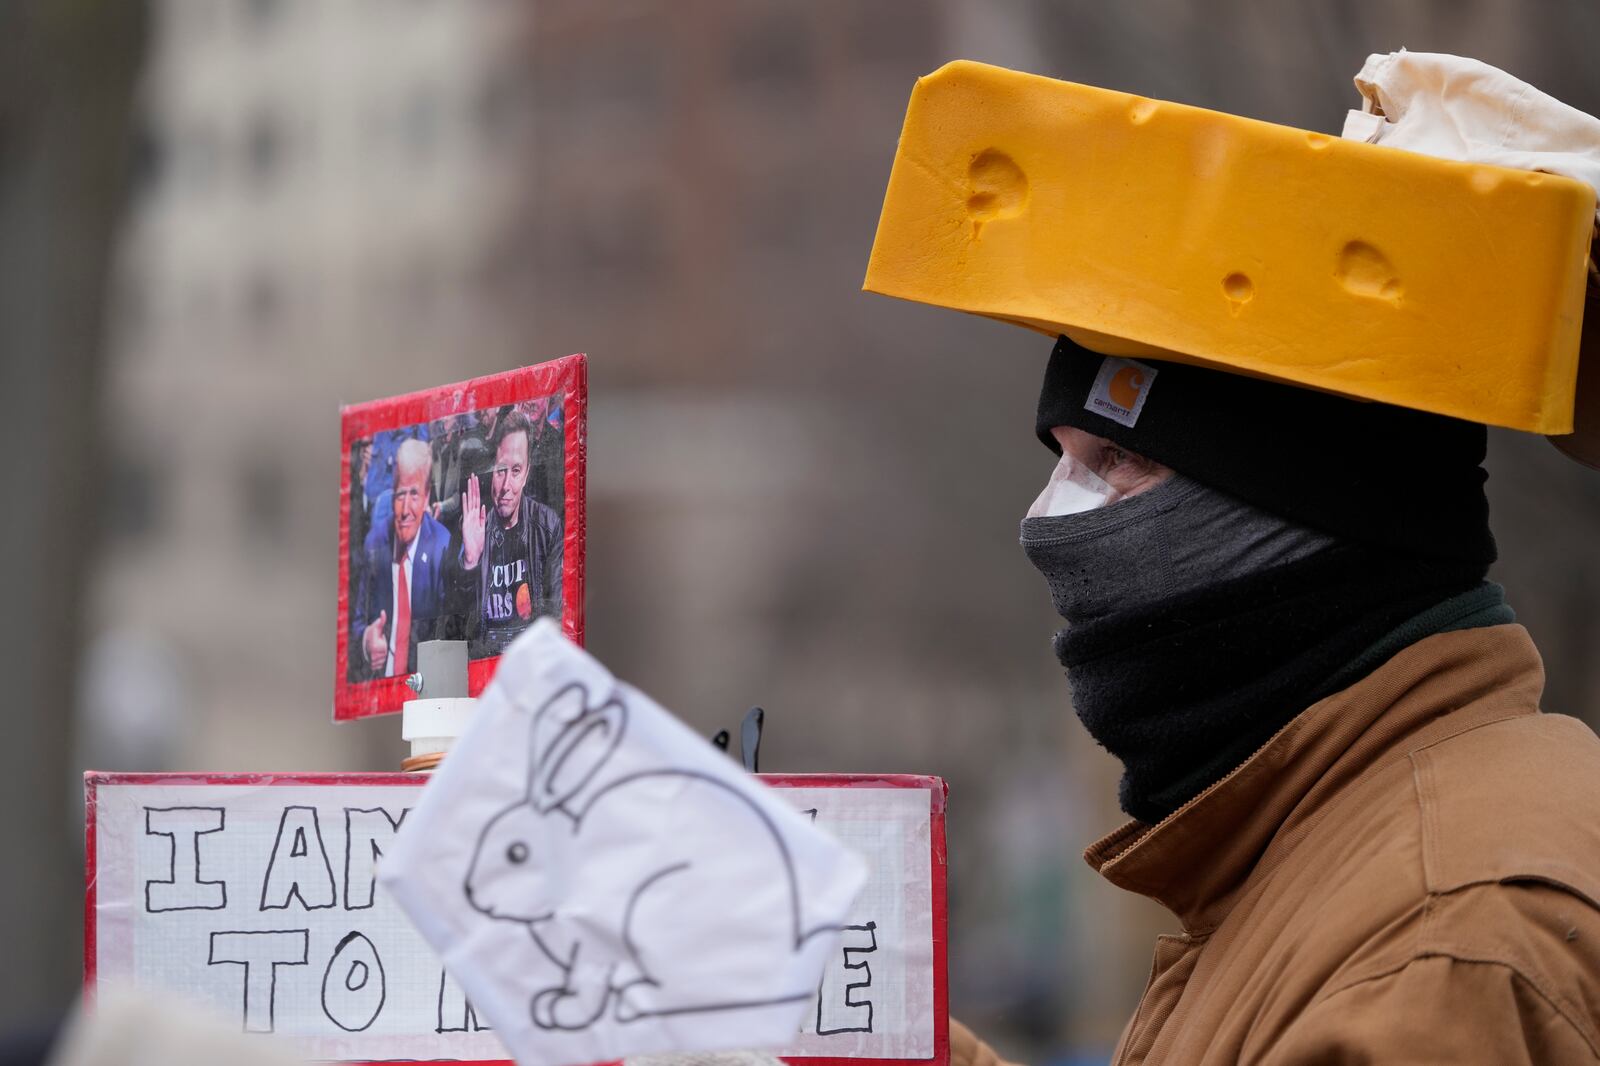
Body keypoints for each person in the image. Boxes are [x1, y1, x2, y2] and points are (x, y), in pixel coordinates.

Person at [949, 335, 1600, 1064]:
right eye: (1061, 461)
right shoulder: (1330, 839)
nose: (1043, 520)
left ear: (1297, 503)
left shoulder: (1440, 954)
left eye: (1119, 460)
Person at [454, 408, 563, 658]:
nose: (506, 487)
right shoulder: (475, 527)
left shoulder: (547, 527)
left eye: (515, 471)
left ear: (526, 474)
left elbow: (557, 614)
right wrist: (471, 561)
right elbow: (461, 630)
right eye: (501, 470)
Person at [353, 437, 451, 679]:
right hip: (382, 686)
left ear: (427, 496)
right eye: (399, 495)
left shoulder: (442, 545)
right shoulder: (375, 543)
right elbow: (355, 622)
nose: (405, 509)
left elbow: (450, 634)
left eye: (414, 494)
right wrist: (366, 640)